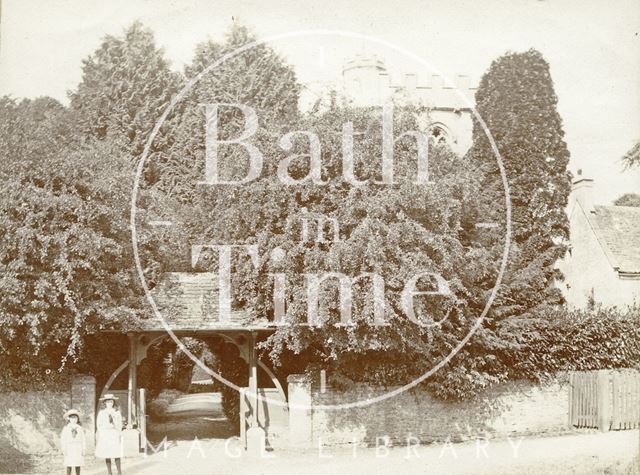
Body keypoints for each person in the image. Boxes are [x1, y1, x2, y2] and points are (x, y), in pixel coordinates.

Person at [95, 394, 123, 475]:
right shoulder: (102, 413)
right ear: (105, 403)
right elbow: (98, 424)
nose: (109, 403)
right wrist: (102, 433)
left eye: (111, 401)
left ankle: (119, 472)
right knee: (107, 452)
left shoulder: (116, 412)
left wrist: (119, 433)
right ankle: (109, 472)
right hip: (106, 434)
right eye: (108, 402)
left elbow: (119, 424)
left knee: (116, 452)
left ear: (113, 402)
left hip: (114, 433)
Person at [60, 409, 85, 475]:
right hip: (69, 447)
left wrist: (83, 449)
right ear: (69, 419)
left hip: (78, 447)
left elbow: (83, 439)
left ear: (77, 419)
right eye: (72, 418)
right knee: (69, 463)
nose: (74, 420)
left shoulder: (80, 428)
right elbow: (63, 439)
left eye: (75, 418)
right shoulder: (66, 428)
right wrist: (64, 449)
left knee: (78, 463)